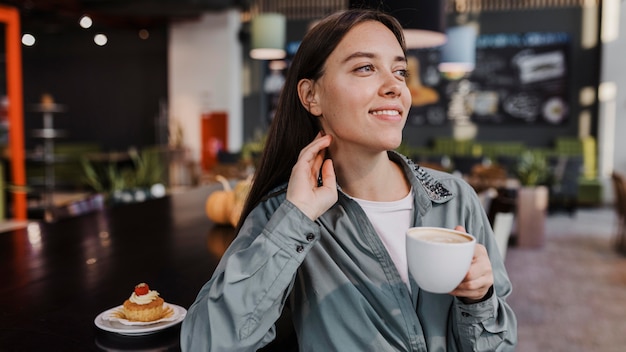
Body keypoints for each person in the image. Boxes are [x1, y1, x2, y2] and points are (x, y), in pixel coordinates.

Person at [181, 8, 517, 351]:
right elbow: (207, 343)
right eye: (365, 68)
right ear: (312, 96)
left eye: (400, 71)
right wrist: (295, 219)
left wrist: (480, 299)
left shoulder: (455, 198)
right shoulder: (284, 217)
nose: (395, 86)